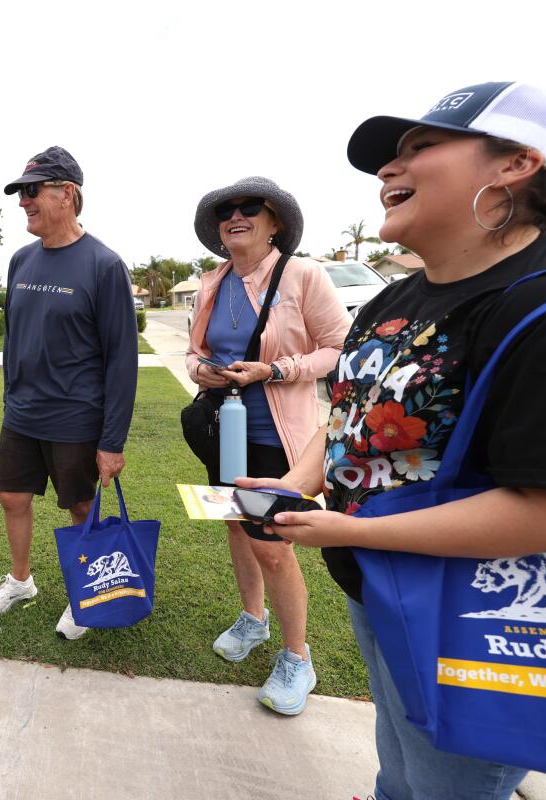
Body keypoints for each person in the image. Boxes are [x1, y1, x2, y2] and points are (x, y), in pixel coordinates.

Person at [240, 82, 546, 798]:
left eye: (421, 147)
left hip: (466, 611)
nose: (387, 170)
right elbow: (350, 411)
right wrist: (297, 481)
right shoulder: (395, 297)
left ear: (516, 165)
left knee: (448, 785)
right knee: (401, 763)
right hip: (378, 583)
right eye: (391, 156)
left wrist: (354, 531)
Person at [186, 177, 350, 715]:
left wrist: (276, 369)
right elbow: (195, 351)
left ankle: (297, 658)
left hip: (278, 438)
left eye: (249, 207)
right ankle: (253, 619)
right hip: (223, 430)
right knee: (235, 524)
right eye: (226, 210)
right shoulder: (212, 282)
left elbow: (338, 350)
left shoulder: (303, 275)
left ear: (274, 221)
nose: (236, 215)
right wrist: (202, 373)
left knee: (273, 546)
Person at [0, 146, 138, 640]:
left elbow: (122, 360)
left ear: (67, 194)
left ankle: (85, 594)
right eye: (21, 194)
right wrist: (10, 398)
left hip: (76, 415)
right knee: (11, 496)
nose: (23, 202)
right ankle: (21, 582)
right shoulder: (21, 261)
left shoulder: (104, 265)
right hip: (23, 412)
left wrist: (112, 441)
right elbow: (14, 338)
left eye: (32, 192)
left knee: (82, 510)